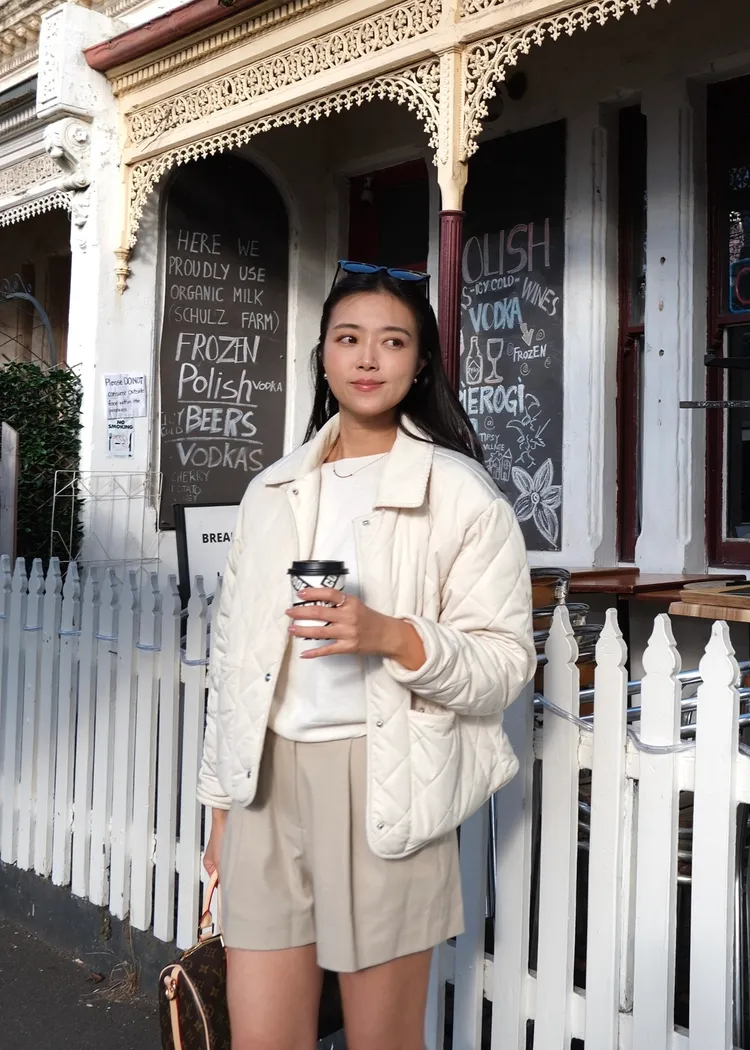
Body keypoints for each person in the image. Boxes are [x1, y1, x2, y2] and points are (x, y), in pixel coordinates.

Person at [198, 261, 536, 1050]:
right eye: (348, 339)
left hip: (386, 777)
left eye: (393, 341)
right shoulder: (271, 490)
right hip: (265, 783)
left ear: (420, 364)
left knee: (382, 1040)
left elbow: (504, 667)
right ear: (322, 355)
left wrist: (391, 635)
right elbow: (232, 661)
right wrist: (220, 812)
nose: (368, 359)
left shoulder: (460, 492)